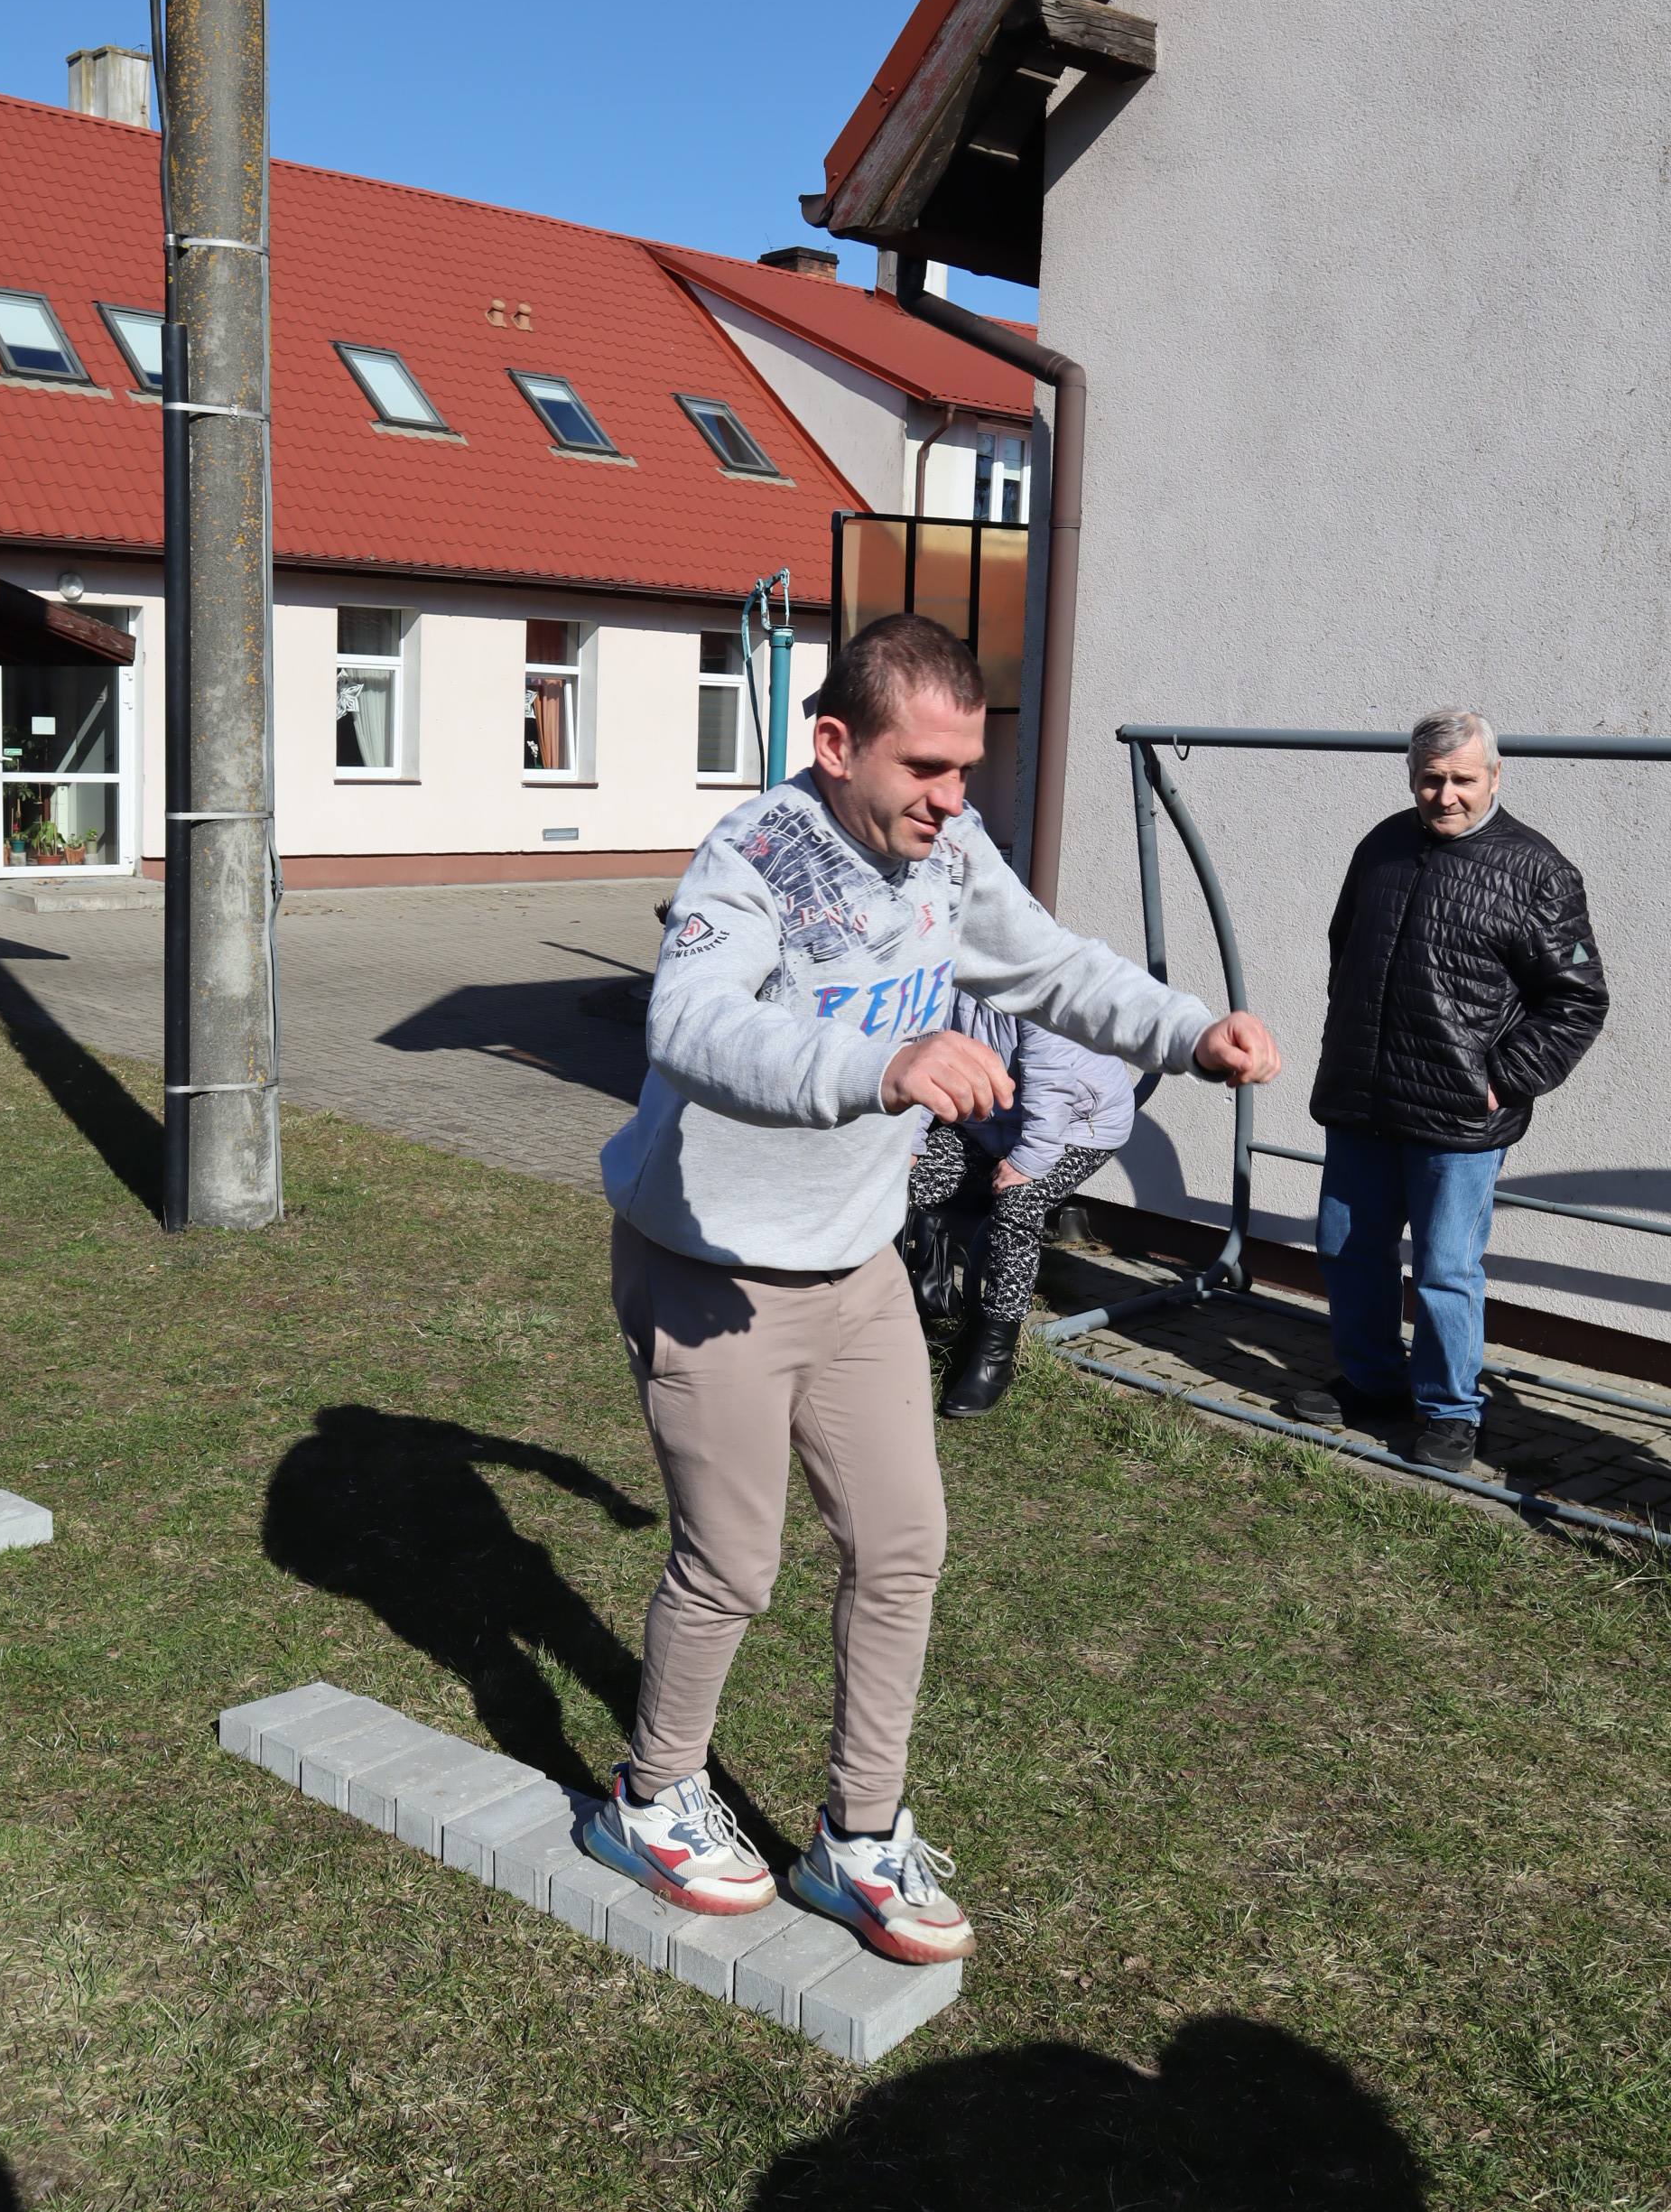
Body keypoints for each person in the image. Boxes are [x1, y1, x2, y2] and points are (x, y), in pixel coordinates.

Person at [586, 614, 1280, 1962]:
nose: (954, 798)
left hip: (855, 1270)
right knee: (732, 1566)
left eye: (967, 768)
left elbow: (1050, 964)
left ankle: (857, 1837)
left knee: (903, 1548)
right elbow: (691, 1023)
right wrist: (882, 1069)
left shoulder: (948, 853)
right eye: (925, 768)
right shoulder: (755, 858)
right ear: (834, 744)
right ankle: (652, 1795)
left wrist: (1189, 1032)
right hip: (710, 1269)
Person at [1294, 708, 1607, 1471]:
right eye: (1431, 779)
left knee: (1445, 1271)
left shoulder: (1538, 871)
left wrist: (1504, 1081)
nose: (1446, 795)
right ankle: (1373, 1382)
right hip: (1363, 1098)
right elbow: (1345, 949)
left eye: (1463, 779)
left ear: (1495, 777)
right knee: (1347, 1249)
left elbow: (1577, 1000)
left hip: (1459, 1116)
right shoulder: (1382, 845)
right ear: (1412, 777)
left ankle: (1450, 1411)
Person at [907, 990, 1135, 1416]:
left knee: (1017, 1207)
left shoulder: (1034, 983)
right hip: (989, 1121)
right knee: (909, 1182)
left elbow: (1051, 1082)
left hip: (1075, 1126)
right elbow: (923, 1056)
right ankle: (928, 1296)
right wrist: (912, 1141)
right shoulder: (941, 977)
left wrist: (1027, 1162)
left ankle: (993, 1357)